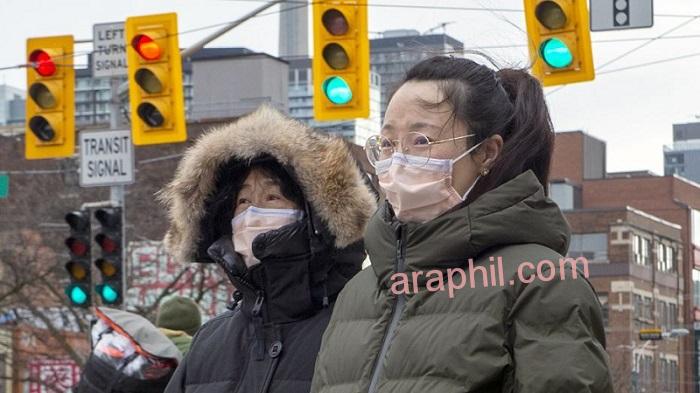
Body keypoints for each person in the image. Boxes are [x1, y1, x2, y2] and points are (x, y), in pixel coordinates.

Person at [310, 56, 614, 392]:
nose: (397, 160)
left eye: (420, 141)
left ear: (486, 153)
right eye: (387, 143)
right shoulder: (358, 292)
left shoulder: (541, 281)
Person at [159, 105, 376, 393]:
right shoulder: (209, 342)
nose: (253, 214)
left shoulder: (364, 332)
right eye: (244, 201)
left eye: (272, 197)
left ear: (315, 217)